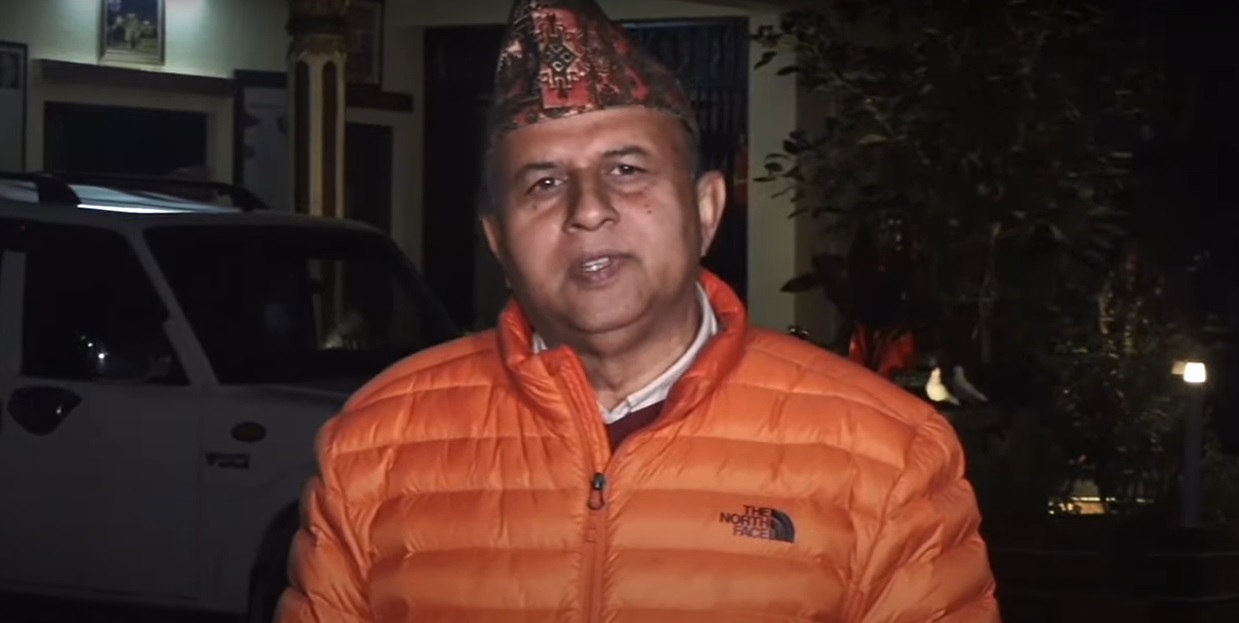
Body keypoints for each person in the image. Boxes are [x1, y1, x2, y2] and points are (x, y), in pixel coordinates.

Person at [277, 0, 999, 621]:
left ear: (706, 210)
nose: (588, 210)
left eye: (626, 170)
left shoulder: (884, 454)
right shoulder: (377, 444)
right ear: (498, 241)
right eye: (543, 183)